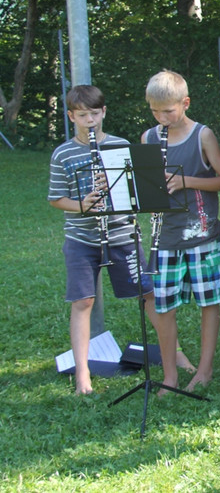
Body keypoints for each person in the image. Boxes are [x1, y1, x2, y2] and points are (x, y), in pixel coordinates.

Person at [47, 84, 168, 395]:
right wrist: (83, 205)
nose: (89, 120)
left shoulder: (119, 146)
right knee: (83, 301)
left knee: (148, 294)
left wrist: (115, 186)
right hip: (81, 237)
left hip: (120, 233)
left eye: (94, 113)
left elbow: (137, 192)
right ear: (72, 116)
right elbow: (56, 198)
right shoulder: (63, 153)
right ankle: (83, 373)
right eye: (82, 115)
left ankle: (174, 355)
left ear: (104, 112)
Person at [142, 70, 220, 394]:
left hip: (202, 234)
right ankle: (170, 375)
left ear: (185, 103)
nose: (161, 117)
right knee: (163, 306)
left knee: (209, 303)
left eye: (168, 111)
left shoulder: (202, 135)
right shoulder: (149, 138)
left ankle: (205, 370)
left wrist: (186, 181)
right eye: (155, 111)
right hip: (165, 237)